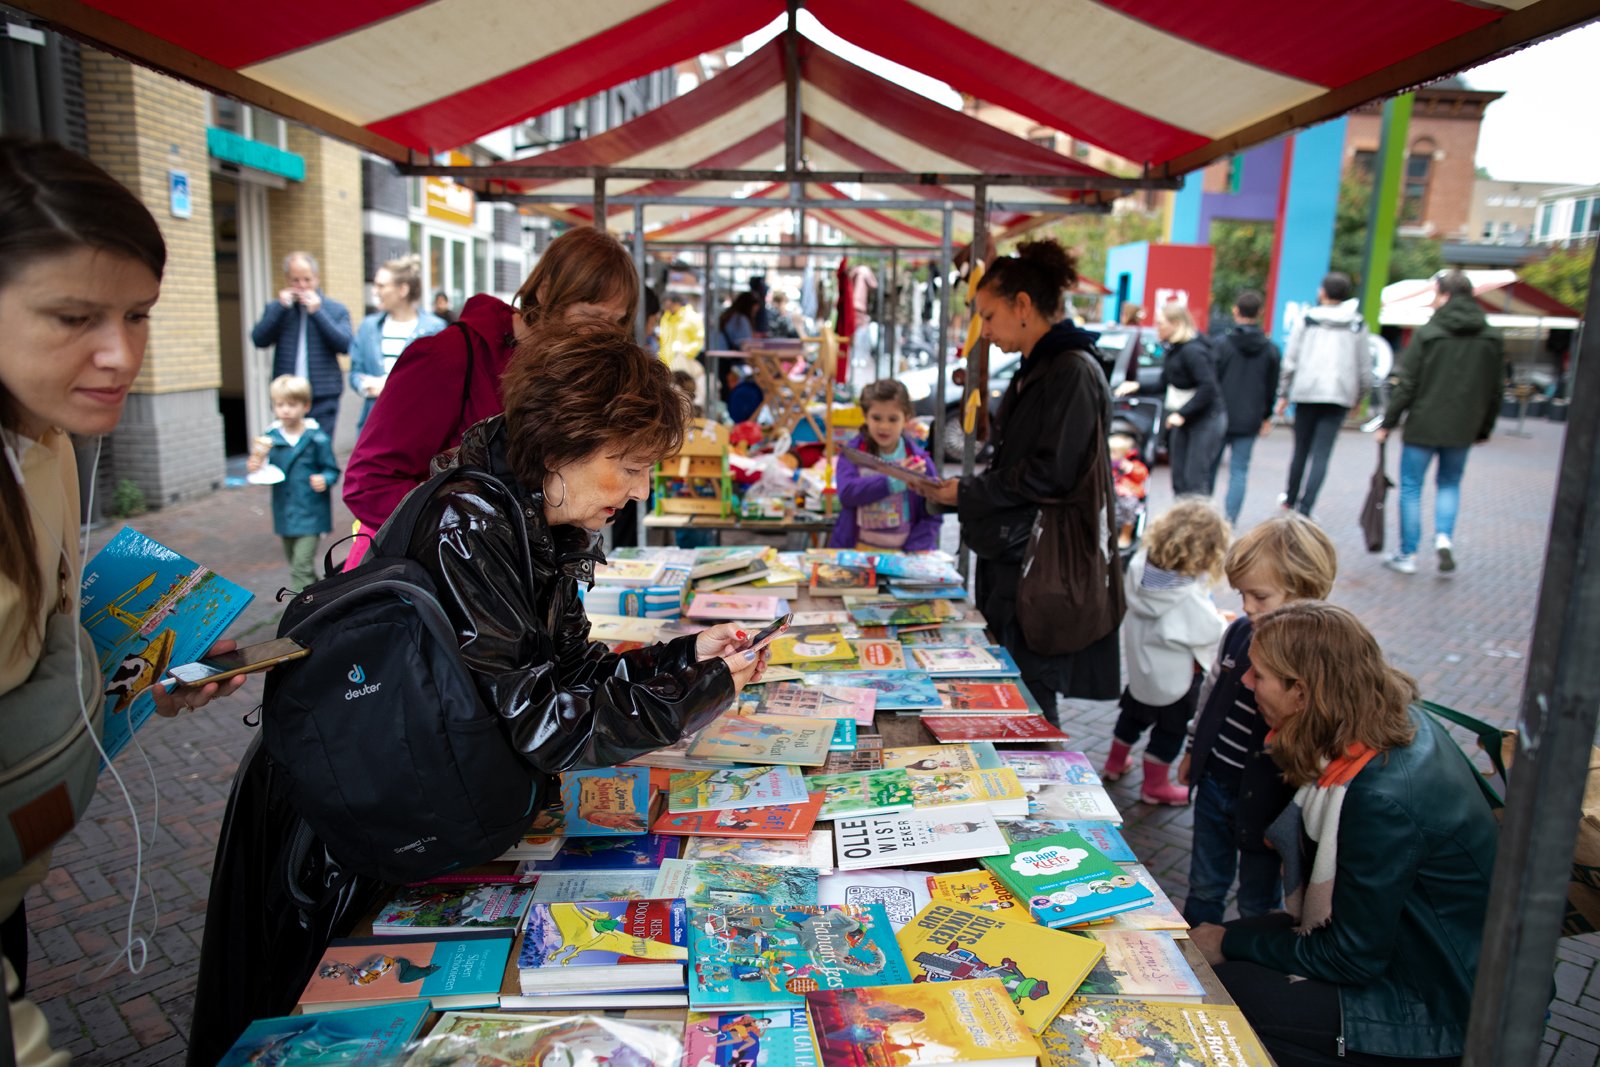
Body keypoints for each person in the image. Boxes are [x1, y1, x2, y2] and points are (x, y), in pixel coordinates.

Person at [188, 321, 769, 1064]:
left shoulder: (532, 518)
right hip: (352, 821)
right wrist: (696, 692)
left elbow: (566, 672)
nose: (637, 490)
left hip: (418, 794)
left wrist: (688, 658)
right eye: (627, 465)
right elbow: (547, 724)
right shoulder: (476, 522)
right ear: (563, 443)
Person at [0, 137, 241, 1067]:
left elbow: (42, 657)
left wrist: (137, 679)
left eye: (138, 314)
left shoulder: (46, 443)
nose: (120, 353)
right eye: (72, 316)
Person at [1192, 601, 1498, 1067]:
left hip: (1438, 1001)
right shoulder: (1382, 724)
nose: (1246, 682)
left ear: (1302, 693)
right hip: (1408, 948)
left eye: (1260, 675)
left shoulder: (1377, 796)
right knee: (1204, 949)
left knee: (1220, 994)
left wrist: (1226, 944)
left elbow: (1352, 956)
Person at [917, 239, 1121, 723]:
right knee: (1016, 687)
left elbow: (1050, 474)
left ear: (1023, 305)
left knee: (1031, 698)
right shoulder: (1042, 367)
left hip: (1039, 567)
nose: (984, 331)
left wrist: (966, 491)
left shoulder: (1070, 370)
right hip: (1016, 560)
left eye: (989, 317)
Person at [343, 226, 638, 554]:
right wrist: (472, 531)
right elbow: (368, 483)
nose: (601, 334)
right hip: (433, 579)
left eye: (616, 321)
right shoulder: (449, 355)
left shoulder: (569, 371)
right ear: (545, 290)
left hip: (513, 577)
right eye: (590, 315)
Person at [1177, 512, 1337, 927]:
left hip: (1270, 801)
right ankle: (1195, 953)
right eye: (1242, 594)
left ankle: (1245, 970)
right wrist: (1195, 748)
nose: (1246, 607)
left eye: (1259, 597)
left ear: (1304, 591)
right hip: (1215, 784)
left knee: (1257, 902)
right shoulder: (1239, 633)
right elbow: (1211, 694)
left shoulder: (1318, 660)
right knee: (1205, 885)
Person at [1376, 271, 1504, 576]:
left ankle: (1407, 554)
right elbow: (1495, 388)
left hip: (1423, 424)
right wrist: (1484, 428)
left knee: (1411, 487)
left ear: (1443, 295)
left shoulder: (1429, 332)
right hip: (1463, 427)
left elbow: (1408, 384)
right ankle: (1443, 537)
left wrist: (1388, 422)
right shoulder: (1490, 336)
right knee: (1449, 483)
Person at [1102, 498, 1230, 805]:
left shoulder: (1139, 567)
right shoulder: (1185, 596)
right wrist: (1223, 621)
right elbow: (1209, 630)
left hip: (1143, 672)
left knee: (1133, 714)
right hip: (1177, 681)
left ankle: (1114, 763)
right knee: (1170, 731)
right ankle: (1155, 786)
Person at [1276, 272, 1371, 519]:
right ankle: (1306, 507)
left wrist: (1283, 393)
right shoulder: (1357, 324)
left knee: (1300, 450)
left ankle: (1290, 499)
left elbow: (1290, 360)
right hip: (1339, 394)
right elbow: (1364, 367)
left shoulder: (1307, 320)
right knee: (1322, 453)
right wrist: (1359, 397)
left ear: (1323, 292)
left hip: (1307, 392)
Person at [250, 251, 352, 446]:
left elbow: (345, 345)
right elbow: (259, 339)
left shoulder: (335, 309)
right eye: (296, 280)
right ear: (288, 280)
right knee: (290, 448)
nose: (302, 286)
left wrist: (318, 313)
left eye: (307, 279)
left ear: (317, 278)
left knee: (320, 449)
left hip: (323, 394)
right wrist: (280, 308)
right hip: (288, 396)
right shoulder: (279, 309)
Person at [249, 375, 340, 592]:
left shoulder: (317, 438)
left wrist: (324, 479)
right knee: (298, 565)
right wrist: (255, 465)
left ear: (306, 405)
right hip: (284, 511)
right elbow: (263, 466)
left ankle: (302, 614)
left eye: (292, 404)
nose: (285, 410)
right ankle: (326, 596)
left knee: (300, 568)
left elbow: (332, 469)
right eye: (280, 405)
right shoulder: (270, 438)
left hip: (311, 511)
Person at [829, 379, 941, 551]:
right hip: (856, 553)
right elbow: (847, 494)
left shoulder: (919, 462)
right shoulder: (852, 454)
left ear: (906, 419)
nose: (884, 426)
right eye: (876, 418)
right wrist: (894, 480)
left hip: (904, 558)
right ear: (865, 416)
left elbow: (933, 512)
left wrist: (913, 550)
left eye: (893, 419)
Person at [1125, 303, 1225, 496]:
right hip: (1185, 420)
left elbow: (1208, 387)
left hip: (1205, 419)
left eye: (1160, 323)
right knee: (1179, 479)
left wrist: (1181, 413)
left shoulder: (1193, 351)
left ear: (1176, 324)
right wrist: (1137, 386)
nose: (1157, 328)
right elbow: (1164, 383)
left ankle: (1198, 525)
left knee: (1194, 481)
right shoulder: (1175, 350)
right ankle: (1181, 522)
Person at [348, 255, 447, 435]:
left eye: (381, 286)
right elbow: (355, 373)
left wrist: (389, 385)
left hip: (416, 426)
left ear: (402, 290)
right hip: (374, 425)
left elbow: (439, 380)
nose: (375, 291)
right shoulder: (368, 327)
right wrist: (366, 386)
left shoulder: (434, 329)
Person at [1211, 290, 1281, 524]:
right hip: (1250, 418)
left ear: (1235, 310)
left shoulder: (1221, 344)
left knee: (1209, 468)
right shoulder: (1270, 349)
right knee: (1239, 471)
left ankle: (1206, 519)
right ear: (1259, 313)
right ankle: (1229, 522)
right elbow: (1272, 387)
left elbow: (1211, 379)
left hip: (1219, 415)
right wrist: (1266, 416)